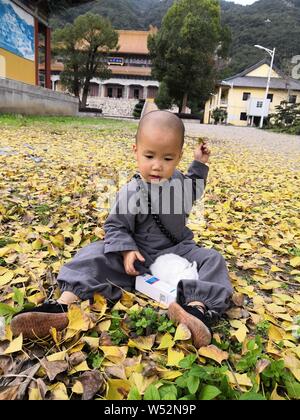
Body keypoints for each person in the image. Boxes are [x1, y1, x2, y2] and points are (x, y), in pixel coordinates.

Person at [11, 110, 233, 348]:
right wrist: (126, 250)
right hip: (138, 256)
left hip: (178, 251)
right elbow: (116, 226)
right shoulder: (132, 191)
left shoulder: (180, 183)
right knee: (92, 255)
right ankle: (62, 305)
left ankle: (196, 310)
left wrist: (199, 164)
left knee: (213, 259)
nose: (157, 166)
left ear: (178, 157)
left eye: (168, 159)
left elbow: (194, 189)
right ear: (136, 151)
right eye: (149, 156)